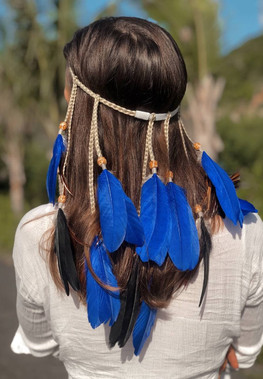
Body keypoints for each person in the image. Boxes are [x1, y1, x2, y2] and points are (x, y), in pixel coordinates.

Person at [11, 17, 263, 379]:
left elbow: (38, 343)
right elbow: (247, 353)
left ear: (73, 102)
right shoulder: (244, 232)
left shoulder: (40, 233)